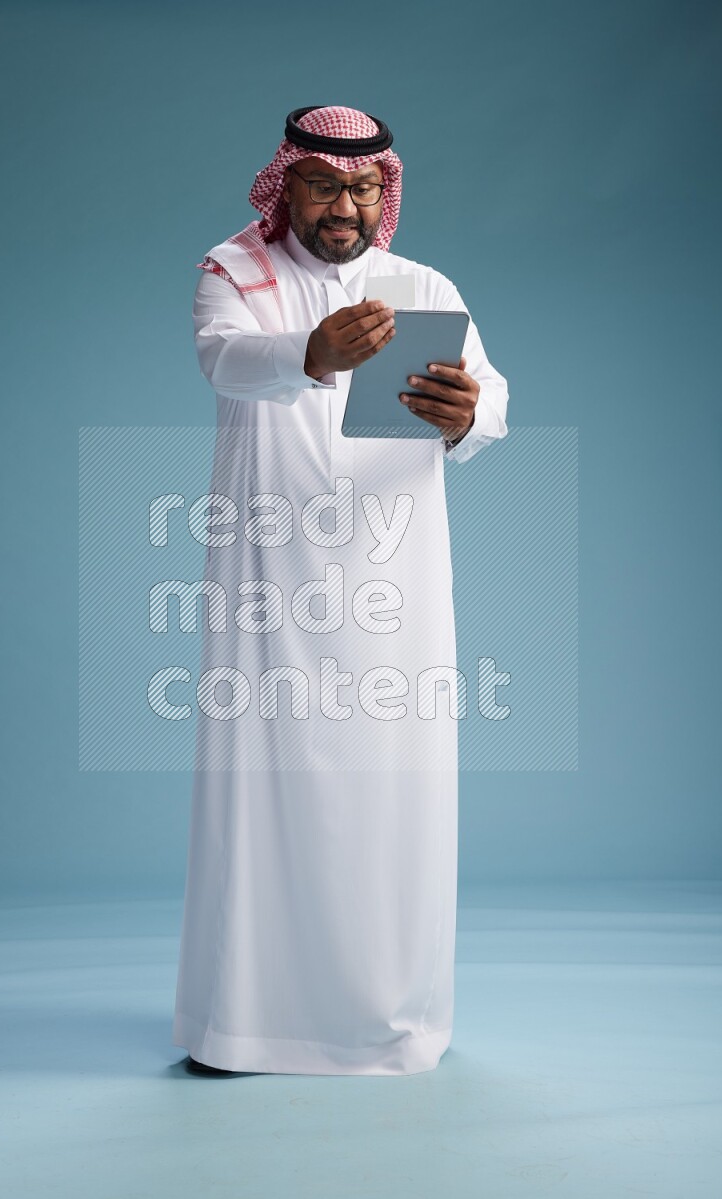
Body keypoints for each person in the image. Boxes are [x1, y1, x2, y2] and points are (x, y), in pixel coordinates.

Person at [173, 105, 509, 1077]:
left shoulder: (422, 286)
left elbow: (490, 396)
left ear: (384, 191)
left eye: (364, 187)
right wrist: (308, 355)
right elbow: (222, 360)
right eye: (325, 184)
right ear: (285, 184)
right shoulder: (232, 270)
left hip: (392, 588)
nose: (346, 205)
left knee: (390, 798)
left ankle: (385, 1021)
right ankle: (244, 1023)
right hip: (270, 587)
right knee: (263, 795)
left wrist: (466, 414)